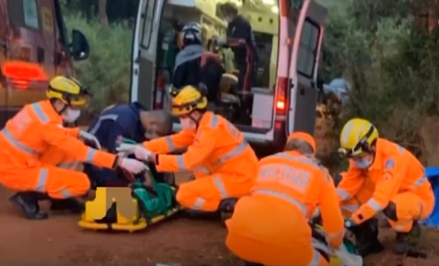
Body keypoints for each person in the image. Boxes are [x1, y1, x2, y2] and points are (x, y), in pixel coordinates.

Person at [0, 76, 147, 220]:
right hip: (15, 170)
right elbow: (80, 152)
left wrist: (77, 132)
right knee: (82, 183)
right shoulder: (47, 123)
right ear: (58, 101)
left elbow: (50, 134)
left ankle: (59, 200)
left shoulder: (42, 109)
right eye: (74, 106)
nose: (76, 110)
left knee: (68, 150)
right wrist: (121, 162)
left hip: (16, 160)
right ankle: (27, 196)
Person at [117, 85, 258, 213]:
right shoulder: (203, 124)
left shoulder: (209, 131)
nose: (181, 120)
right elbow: (172, 142)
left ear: (195, 113)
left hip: (241, 180)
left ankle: (222, 205)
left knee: (183, 195)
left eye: (183, 116)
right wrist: (139, 147)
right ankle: (219, 199)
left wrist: (151, 157)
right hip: (237, 174)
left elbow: (187, 162)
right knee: (199, 168)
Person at [225, 132, 345, 265]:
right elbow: (334, 225)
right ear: (311, 155)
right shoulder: (320, 173)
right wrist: (335, 242)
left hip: (239, 239)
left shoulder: (264, 162)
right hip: (286, 244)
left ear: (286, 149)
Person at [337, 118, 435, 256]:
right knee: (347, 198)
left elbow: (381, 199)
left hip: (419, 199)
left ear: (370, 146)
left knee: (392, 205)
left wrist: (354, 219)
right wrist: (322, 207)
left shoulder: (393, 158)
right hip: (387, 194)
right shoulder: (360, 158)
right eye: (352, 157)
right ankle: (368, 237)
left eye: (358, 156)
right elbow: (346, 187)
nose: (355, 161)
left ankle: (407, 234)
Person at [83, 103, 173, 187]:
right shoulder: (124, 124)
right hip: (97, 155)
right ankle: (101, 194)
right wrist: (143, 177)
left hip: (112, 148)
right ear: (153, 125)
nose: (157, 138)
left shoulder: (140, 115)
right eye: (160, 134)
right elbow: (117, 155)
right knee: (129, 193)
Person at [218, 2, 259, 123]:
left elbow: (240, 42)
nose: (225, 15)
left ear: (232, 12)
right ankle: (240, 111)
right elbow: (231, 41)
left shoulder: (242, 23)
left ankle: (244, 114)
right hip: (241, 60)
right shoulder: (231, 25)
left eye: (226, 13)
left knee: (244, 87)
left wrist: (226, 41)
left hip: (249, 59)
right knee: (241, 85)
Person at [172, 22, 225, 102]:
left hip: (182, 101)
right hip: (202, 102)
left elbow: (176, 84)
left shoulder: (179, 57)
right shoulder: (210, 58)